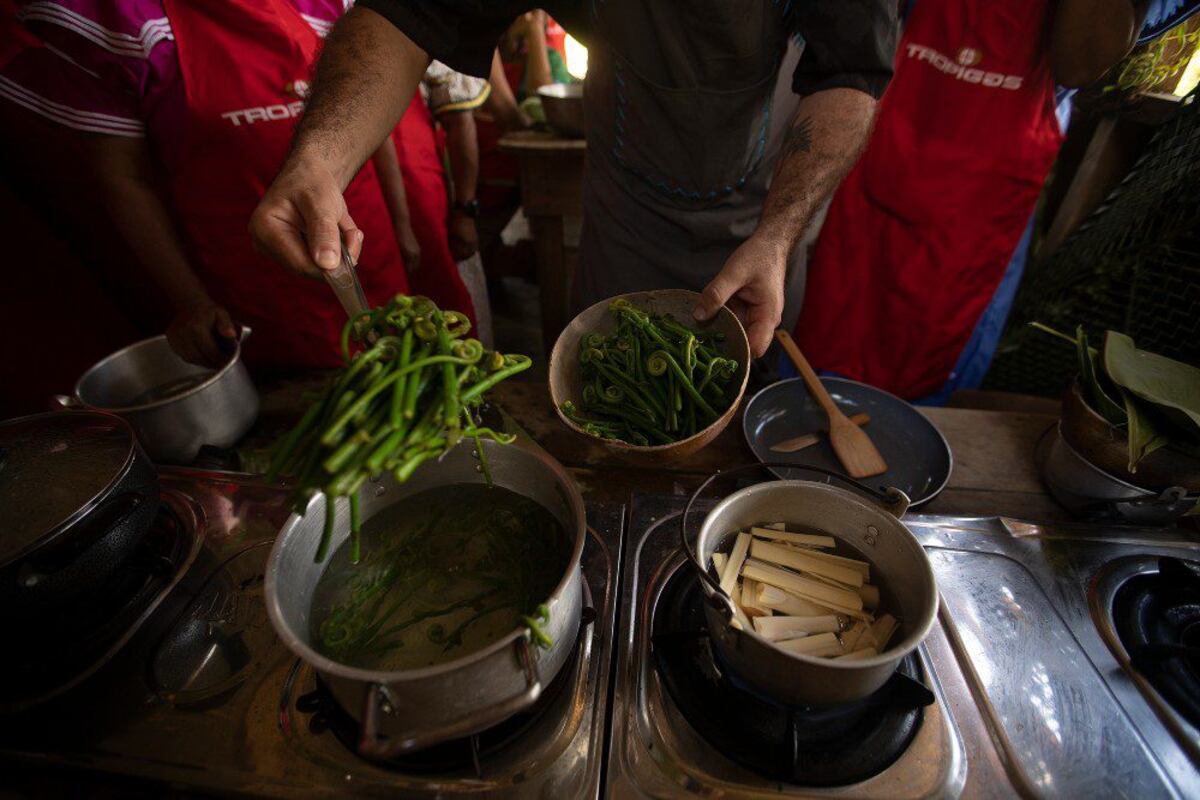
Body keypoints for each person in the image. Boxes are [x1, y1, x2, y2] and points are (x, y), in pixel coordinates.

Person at [249, 2, 900, 358]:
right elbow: (408, 16)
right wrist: (320, 159)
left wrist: (778, 236)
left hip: (763, 214)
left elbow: (852, 75)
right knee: (609, 393)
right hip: (624, 213)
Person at [0, 0, 427, 368]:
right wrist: (191, 301)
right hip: (253, 280)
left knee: (399, 357)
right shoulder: (117, 22)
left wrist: (402, 223)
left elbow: (364, 111)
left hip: (364, 244)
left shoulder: (329, 4)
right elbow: (126, 181)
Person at [791, 0, 1148, 400]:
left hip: (979, 205)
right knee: (827, 336)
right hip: (885, 162)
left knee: (922, 382)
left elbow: (1081, 64)